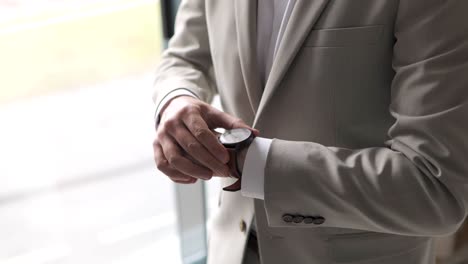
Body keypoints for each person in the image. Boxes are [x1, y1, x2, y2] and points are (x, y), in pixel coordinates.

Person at [152, 0, 468, 263]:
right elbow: (186, 56)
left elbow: (437, 189)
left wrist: (254, 164)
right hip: (230, 248)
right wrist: (176, 100)